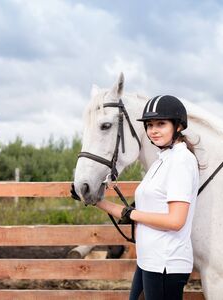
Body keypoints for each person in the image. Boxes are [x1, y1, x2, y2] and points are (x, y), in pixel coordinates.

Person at [73, 95, 200, 300]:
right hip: (149, 261)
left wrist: (131, 214)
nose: (154, 130)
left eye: (161, 124)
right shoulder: (162, 160)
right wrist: (96, 201)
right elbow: (131, 213)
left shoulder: (181, 161)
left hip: (165, 264)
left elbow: (175, 221)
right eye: (149, 125)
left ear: (178, 126)